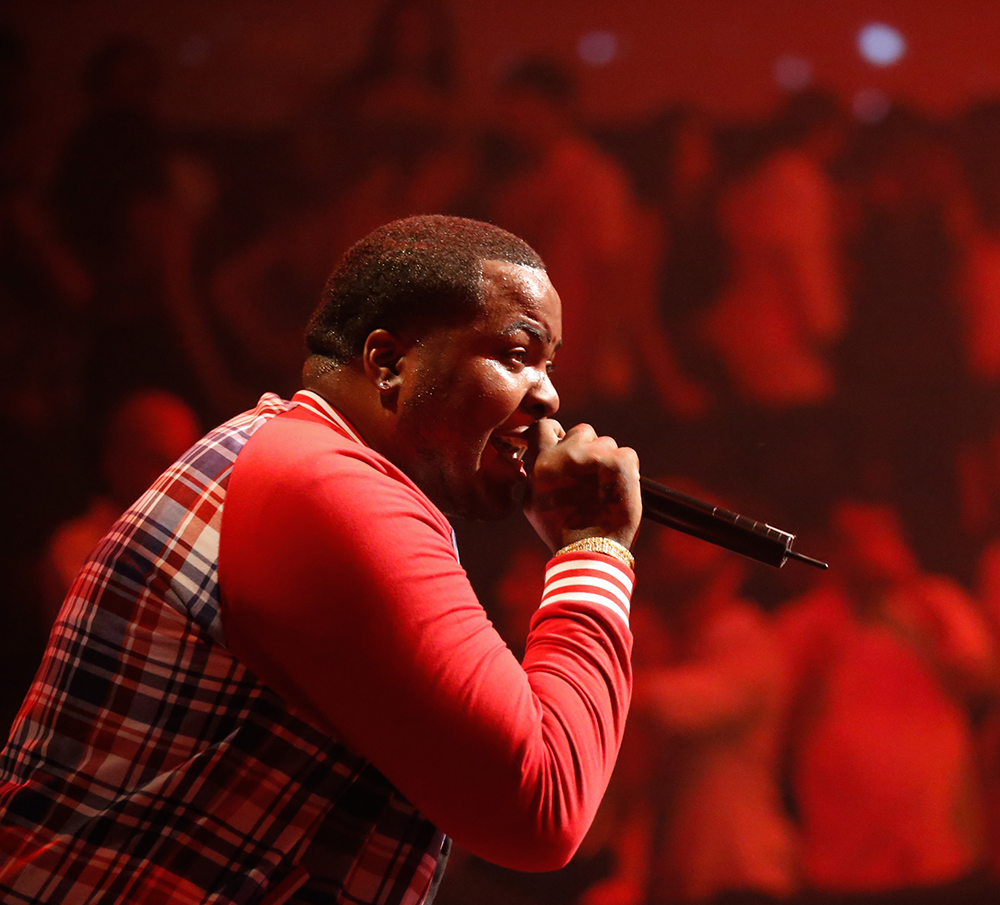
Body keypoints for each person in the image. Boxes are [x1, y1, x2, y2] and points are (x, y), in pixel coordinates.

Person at [0, 215, 641, 905]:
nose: (548, 395)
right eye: (519, 353)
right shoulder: (329, 487)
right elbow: (541, 806)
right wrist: (593, 546)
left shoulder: (290, 456)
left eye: (550, 364)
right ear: (389, 362)